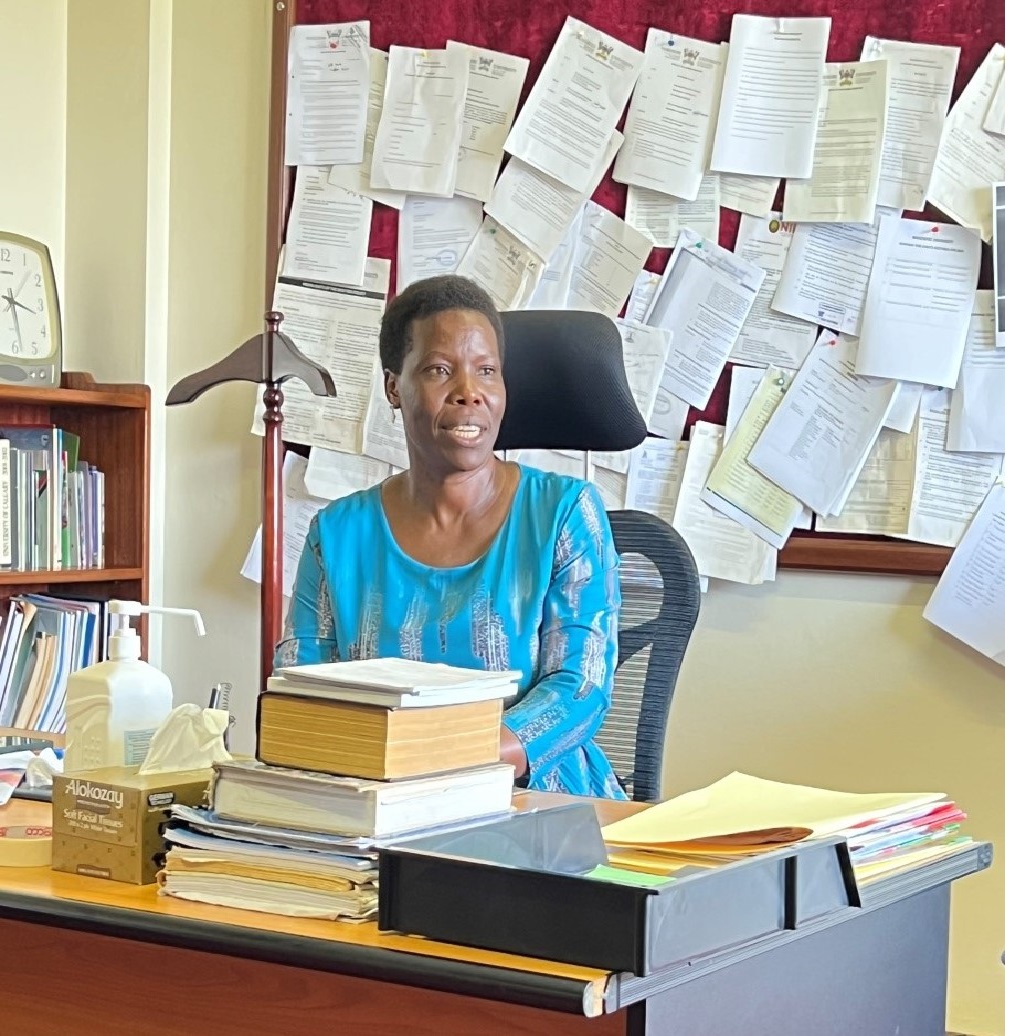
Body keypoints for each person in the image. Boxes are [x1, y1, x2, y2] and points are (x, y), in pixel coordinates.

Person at [276, 274, 625, 799]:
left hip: (538, 801)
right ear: (395, 387)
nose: (470, 392)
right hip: (380, 802)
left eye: (487, 371)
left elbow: (581, 685)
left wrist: (448, 761)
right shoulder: (338, 534)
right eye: (440, 370)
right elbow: (303, 690)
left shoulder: (566, 513)